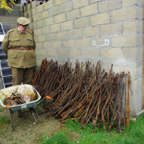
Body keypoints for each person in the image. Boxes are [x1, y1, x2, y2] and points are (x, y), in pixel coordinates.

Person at [2, 17, 36, 86]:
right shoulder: (11, 33)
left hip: (29, 61)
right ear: (18, 25)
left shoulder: (29, 34)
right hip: (16, 61)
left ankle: (26, 96)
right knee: (16, 81)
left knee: (28, 81)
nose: (25, 28)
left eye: (26, 27)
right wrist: (12, 55)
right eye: (23, 27)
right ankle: (16, 96)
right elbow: (4, 47)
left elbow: (33, 46)